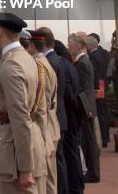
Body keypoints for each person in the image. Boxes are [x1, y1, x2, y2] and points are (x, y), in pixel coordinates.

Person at [0, 12, 46, 193]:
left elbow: (19, 117)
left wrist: (25, 168)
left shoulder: (11, 65)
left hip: (15, 153)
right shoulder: (27, 59)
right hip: (29, 144)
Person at [27, 29, 60, 194]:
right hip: (51, 126)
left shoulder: (38, 66)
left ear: (32, 47)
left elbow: (41, 104)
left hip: (44, 128)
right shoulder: (47, 64)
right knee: (50, 179)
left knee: (44, 182)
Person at [40, 28, 68, 194]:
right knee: (58, 160)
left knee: (55, 163)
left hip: (53, 117)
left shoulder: (49, 62)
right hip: (60, 116)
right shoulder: (59, 60)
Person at [68, 33, 100, 184]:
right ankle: (92, 172)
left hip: (85, 106)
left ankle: (93, 173)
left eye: (71, 45)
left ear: (78, 46)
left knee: (89, 141)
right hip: (88, 106)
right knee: (89, 140)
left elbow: (81, 89)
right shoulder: (84, 61)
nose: (69, 48)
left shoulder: (81, 63)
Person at [54, 40, 84, 194]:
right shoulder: (69, 64)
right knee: (73, 153)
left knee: (69, 154)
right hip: (73, 115)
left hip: (69, 115)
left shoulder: (62, 66)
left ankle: (74, 187)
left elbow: (68, 95)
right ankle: (77, 185)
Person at [86, 35, 110, 148]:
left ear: (90, 45)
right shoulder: (100, 54)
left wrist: (97, 90)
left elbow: (96, 75)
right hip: (102, 85)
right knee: (102, 112)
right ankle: (105, 137)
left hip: (98, 86)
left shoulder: (94, 56)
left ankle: (103, 138)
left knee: (100, 112)